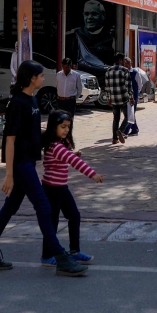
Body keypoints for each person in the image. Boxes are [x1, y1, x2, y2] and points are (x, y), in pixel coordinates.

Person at [0, 61, 89, 277]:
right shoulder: (18, 103)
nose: (43, 79)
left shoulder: (33, 100)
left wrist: (62, 149)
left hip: (28, 162)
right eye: (40, 76)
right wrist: (9, 174)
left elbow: (35, 133)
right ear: (31, 79)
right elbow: (10, 140)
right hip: (21, 164)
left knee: (9, 208)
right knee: (44, 207)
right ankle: (59, 256)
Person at [39, 110, 104, 267]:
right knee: (52, 222)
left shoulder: (59, 146)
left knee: (74, 216)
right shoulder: (56, 147)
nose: (66, 130)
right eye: (63, 126)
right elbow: (75, 162)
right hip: (52, 190)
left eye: (68, 126)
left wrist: (72, 154)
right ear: (53, 127)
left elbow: (68, 158)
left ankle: (75, 251)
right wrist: (93, 175)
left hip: (61, 188)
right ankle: (47, 256)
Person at [65, 0, 116, 79]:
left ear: (103, 16)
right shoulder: (74, 34)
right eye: (86, 14)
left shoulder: (110, 38)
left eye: (94, 14)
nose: (89, 17)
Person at [104, 54, 130, 145]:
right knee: (129, 116)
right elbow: (128, 86)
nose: (124, 62)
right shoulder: (125, 70)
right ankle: (121, 130)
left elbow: (107, 87)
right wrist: (131, 98)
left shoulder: (108, 71)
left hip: (114, 99)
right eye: (123, 60)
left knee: (116, 119)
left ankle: (114, 139)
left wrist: (108, 98)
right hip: (123, 98)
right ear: (120, 60)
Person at [124, 59, 148, 137]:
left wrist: (136, 93)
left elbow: (140, 85)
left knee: (130, 113)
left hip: (133, 96)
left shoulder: (135, 73)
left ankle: (125, 131)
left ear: (130, 63)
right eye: (125, 63)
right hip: (126, 95)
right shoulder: (124, 73)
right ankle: (135, 129)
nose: (126, 65)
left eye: (127, 63)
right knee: (130, 113)